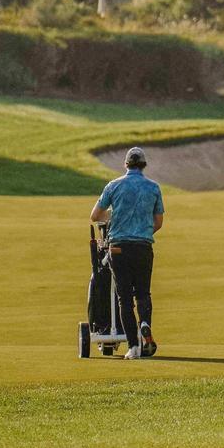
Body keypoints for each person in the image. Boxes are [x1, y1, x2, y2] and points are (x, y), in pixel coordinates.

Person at [89, 147, 164, 360]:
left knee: (124, 299)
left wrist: (114, 215)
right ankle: (145, 323)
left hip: (118, 247)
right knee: (143, 294)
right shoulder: (153, 187)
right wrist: (142, 232)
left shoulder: (114, 185)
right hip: (143, 247)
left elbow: (95, 215)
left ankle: (133, 347)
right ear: (143, 165)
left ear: (126, 164)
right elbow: (158, 222)